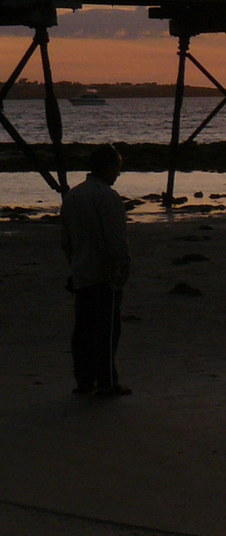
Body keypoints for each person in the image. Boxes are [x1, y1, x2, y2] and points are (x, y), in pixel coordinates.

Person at [60, 144, 132, 396]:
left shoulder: (73, 196)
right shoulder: (107, 197)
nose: (118, 174)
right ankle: (107, 382)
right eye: (118, 169)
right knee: (107, 330)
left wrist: (75, 263)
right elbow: (116, 239)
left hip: (82, 271)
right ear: (109, 167)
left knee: (83, 330)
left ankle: (84, 380)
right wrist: (122, 266)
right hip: (104, 274)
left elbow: (66, 240)